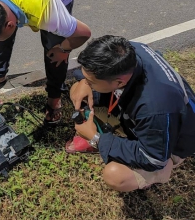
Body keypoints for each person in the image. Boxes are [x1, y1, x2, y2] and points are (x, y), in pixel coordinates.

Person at [69, 35, 195, 191]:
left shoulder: (155, 108)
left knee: (115, 175)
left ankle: (159, 173)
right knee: (77, 92)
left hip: (172, 144)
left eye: (91, 81)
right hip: (145, 110)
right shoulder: (128, 51)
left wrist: (97, 139)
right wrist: (83, 82)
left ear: (119, 82)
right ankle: (107, 132)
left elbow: (154, 158)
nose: (87, 83)